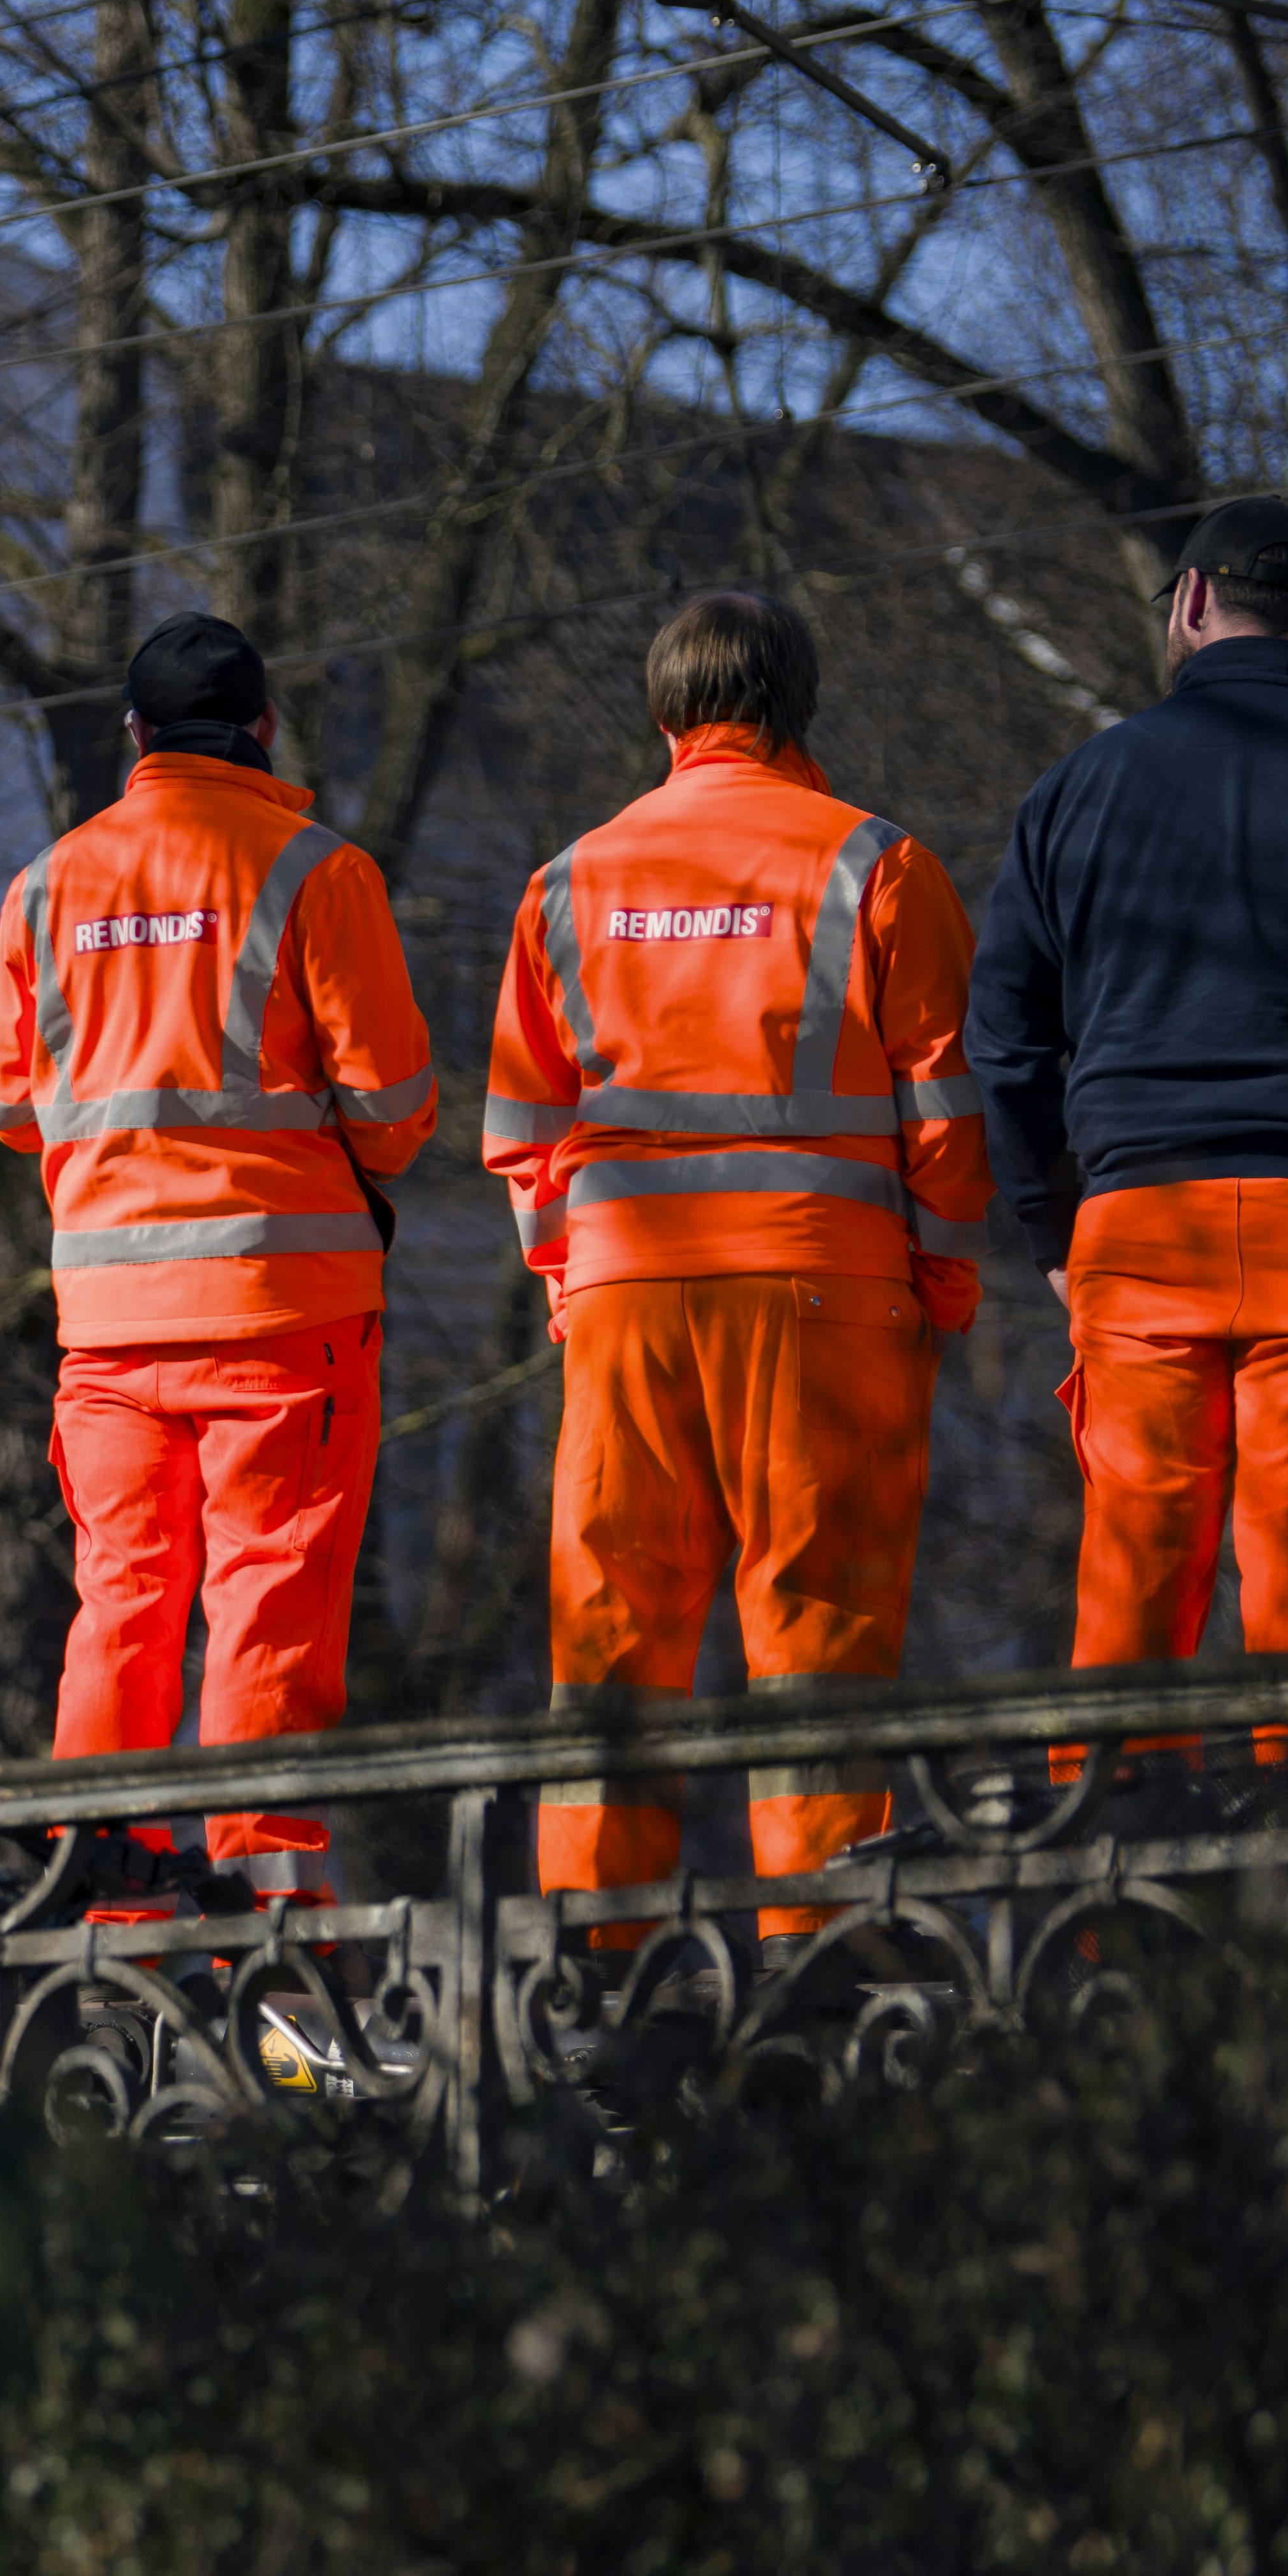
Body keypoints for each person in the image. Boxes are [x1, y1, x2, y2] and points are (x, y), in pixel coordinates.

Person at [484, 590, 991, 1930]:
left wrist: (568, 1284)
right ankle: (818, 1957)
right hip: (827, 1297)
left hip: (627, 1304)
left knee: (609, 1635)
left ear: (664, 716)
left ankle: (598, 1958)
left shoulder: (566, 882)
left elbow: (522, 1131)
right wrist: (941, 1284)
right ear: (795, 709)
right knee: (819, 1629)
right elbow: (942, 1111)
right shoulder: (876, 865)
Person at [964, 497, 1288, 1773]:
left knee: (1129, 1604)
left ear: (1188, 604)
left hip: (1142, 1229)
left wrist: (1051, 1222)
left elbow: (1007, 1038)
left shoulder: (1080, 788)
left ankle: (1109, 1932)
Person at [0, 612, 434, 1911]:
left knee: (121, 1601)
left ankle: (98, 1893)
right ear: (264, 729)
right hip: (282, 1313)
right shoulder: (317, 872)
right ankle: (268, 1913)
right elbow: (395, 1112)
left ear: (134, 737)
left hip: (109, 1329)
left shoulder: (49, 883)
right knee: (266, 1599)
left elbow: (4, 1101)